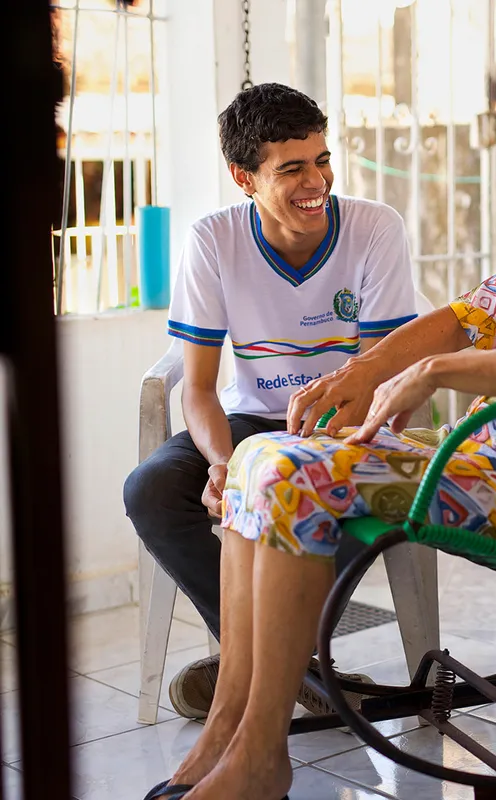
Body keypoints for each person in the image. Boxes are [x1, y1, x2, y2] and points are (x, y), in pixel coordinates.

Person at [146, 48, 496, 800]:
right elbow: (465, 315)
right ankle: (231, 731)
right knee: (261, 458)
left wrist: (437, 373)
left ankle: (261, 758)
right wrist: (359, 372)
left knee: (289, 472)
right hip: (489, 464)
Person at [124, 82, 418, 723]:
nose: (317, 181)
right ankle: (295, 668)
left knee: (319, 485)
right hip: (251, 420)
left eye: (322, 159)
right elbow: (198, 389)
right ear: (243, 176)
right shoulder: (213, 241)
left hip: (348, 421)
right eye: (292, 169)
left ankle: (252, 671)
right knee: (149, 489)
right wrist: (226, 465)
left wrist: (294, 453)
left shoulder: (374, 228)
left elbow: (379, 371)